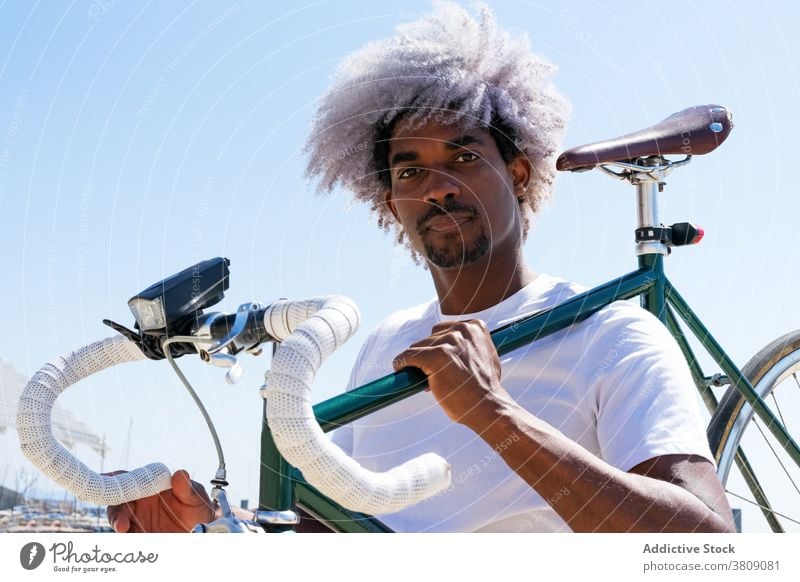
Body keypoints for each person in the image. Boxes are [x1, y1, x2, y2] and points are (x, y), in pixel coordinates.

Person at [107, 2, 735, 533]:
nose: (435, 186)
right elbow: (346, 532)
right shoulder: (384, 344)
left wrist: (493, 412)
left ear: (517, 173)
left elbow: (708, 548)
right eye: (409, 171)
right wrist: (211, 526)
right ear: (390, 203)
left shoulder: (611, 335)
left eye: (462, 156)